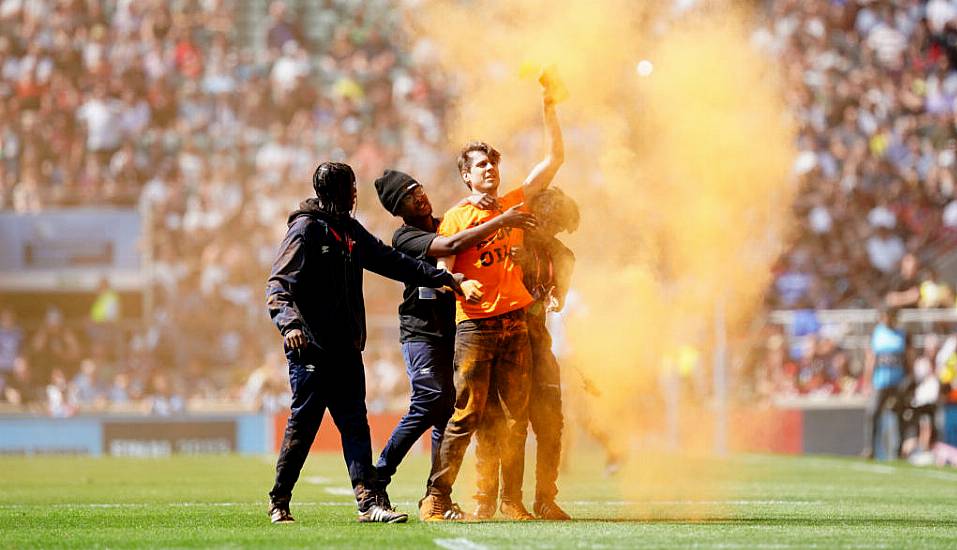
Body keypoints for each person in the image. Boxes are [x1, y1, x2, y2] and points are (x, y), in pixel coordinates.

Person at [265, 162, 463, 525]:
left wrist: (440, 277)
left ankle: (368, 502)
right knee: (304, 425)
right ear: (333, 192)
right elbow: (278, 284)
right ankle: (280, 499)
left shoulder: (349, 232)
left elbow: (391, 261)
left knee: (356, 425)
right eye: (348, 187)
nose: (354, 194)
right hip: (310, 349)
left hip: (345, 349)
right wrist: (289, 324)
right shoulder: (306, 229)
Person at [421, 74, 564, 521]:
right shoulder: (457, 217)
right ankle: (438, 498)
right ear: (466, 174)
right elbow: (443, 268)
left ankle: (510, 501)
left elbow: (554, 159)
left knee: (515, 420)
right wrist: (461, 284)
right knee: (466, 417)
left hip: (514, 325)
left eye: (493, 165)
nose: (490, 170)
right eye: (481, 165)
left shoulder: (512, 204)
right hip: (475, 327)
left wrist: (549, 105)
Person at [372, 168, 536, 514]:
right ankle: (377, 478)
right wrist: (499, 219)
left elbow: (462, 230)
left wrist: (473, 204)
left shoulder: (449, 219)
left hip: (454, 328)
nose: (418, 195)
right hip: (421, 331)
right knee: (431, 401)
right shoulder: (405, 237)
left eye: (417, 187)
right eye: (407, 195)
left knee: (449, 411)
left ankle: (437, 497)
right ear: (397, 209)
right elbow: (452, 246)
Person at [473, 187, 579, 520]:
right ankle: (487, 497)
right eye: (551, 223)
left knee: (551, 423)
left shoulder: (562, 256)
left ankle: (545, 498)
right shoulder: (508, 241)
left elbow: (557, 300)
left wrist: (551, 289)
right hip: (501, 342)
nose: (553, 231)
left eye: (559, 226)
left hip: (538, 343)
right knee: (497, 422)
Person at [862, 308, 910, 460]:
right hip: (880, 382)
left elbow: (909, 358)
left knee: (900, 415)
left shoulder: (903, 334)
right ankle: (870, 448)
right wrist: (867, 381)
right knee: (873, 413)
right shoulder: (877, 333)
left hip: (898, 382)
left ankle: (899, 450)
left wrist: (909, 380)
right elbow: (871, 359)